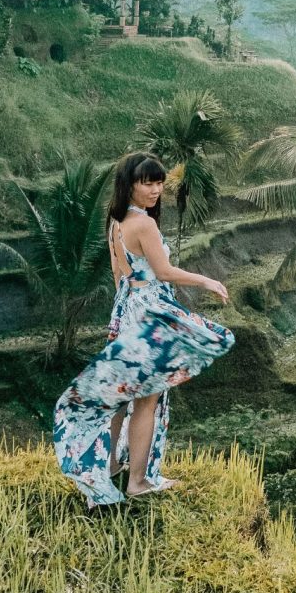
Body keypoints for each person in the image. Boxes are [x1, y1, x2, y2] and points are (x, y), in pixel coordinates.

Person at [53, 152, 233, 507]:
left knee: (123, 395)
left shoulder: (116, 221)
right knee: (147, 400)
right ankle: (138, 481)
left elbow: (119, 275)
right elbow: (164, 272)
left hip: (127, 309)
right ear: (130, 185)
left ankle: (114, 463)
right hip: (148, 310)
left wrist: (126, 315)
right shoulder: (145, 225)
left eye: (159, 182)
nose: (155, 190)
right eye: (147, 183)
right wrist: (207, 280)